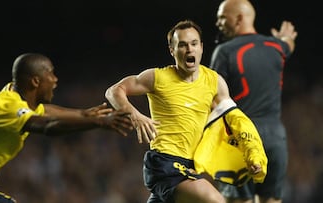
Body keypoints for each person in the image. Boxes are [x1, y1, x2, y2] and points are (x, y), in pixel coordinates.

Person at [105, 19, 267, 203]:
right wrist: (135, 115)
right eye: (182, 45)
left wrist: (253, 155)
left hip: (190, 167)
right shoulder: (157, 77)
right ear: (172, 50)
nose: (189, 49)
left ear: (201, 47)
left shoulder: (215, 82)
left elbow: (236, 121)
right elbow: (114, 91)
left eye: (194, 43)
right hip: (165, 164)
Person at [0, 53, 134, 203]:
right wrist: (98, 122)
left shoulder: (18, 95)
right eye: (50, 73)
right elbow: (47, 126)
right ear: (36, 81)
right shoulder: (8, 107)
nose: (55, 79)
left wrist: (83, 114)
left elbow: (46, 112)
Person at [209, 0, 298, 203]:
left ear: (239, 18)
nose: (218, 23)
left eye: (223, 17)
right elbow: (288, 46)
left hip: (242, 138)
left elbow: (213, 99)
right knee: (271, 200)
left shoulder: (224, 52)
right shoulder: (276, 47)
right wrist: (285, 38)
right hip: (276, 139)